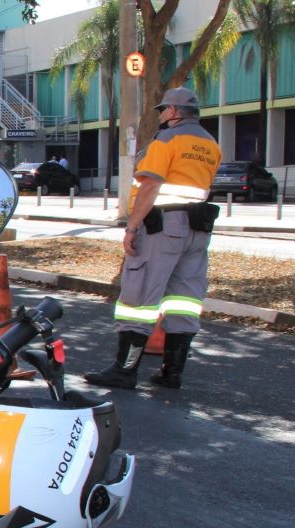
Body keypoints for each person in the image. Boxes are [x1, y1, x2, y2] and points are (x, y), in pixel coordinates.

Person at [85, 87, 221, 390]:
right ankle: (172, 372)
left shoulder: (167, 140)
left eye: (162, 110)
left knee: (139, 298)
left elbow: (150, 187)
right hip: (198, 228)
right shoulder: (211, 144)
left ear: (173, 112)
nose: (160, 115)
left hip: (164, 227)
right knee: (184, 299)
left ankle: (125, 370)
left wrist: (132, 226)